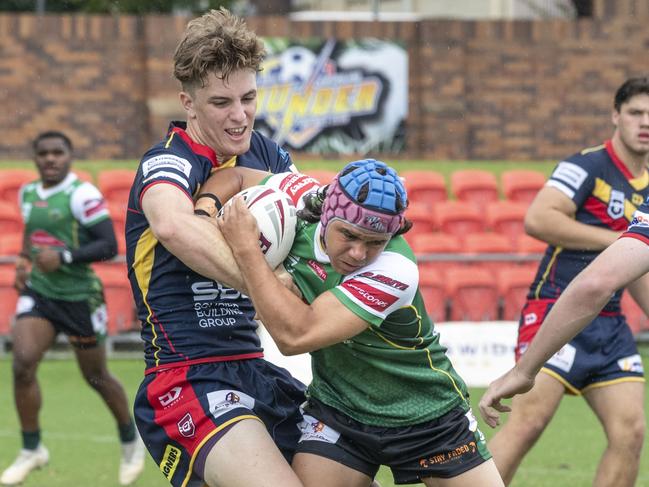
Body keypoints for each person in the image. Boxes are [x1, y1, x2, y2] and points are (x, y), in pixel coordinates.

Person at [197, 159, 505, 487]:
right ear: (328, 213)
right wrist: (203, 211)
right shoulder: (301, 197)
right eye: (348, 234)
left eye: (375, 242)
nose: (358, 253)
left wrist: (247, 249)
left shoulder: (394, 269)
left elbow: (296, 336)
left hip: (427, 417)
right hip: (341, 411)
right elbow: (235, 175)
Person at [125, 8, 309, 487]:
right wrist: (267, 279)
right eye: (221, 102)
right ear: (188, 102)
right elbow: (173, 225)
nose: (240, 114)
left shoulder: (267, 155)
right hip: (186, 376)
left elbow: (309, 232)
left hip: (257, 369)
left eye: (248, 98)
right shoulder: (168, 161)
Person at [485, 77, 649, 486]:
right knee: (529, 423)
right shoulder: (587, 165)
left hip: (610, 324)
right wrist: (621, 242)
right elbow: (538, 218)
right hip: (555, 308)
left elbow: (634, 271)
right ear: (615, 116)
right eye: (636, 113)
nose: (645, 123)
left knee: (630, 432)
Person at [1, 131, 145, 486]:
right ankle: (32, 449)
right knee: (22, 364)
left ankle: (129, 439)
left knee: (95, 376)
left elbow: (108, 246)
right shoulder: (29, 193)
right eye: (44, 154)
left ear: (69, 156)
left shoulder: (82, 195)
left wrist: (64, 256)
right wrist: (23, 260)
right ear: (35, 158)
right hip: (41, 293)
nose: (51, 159)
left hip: (80, 297)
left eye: (57, 153)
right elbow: (31, 237)